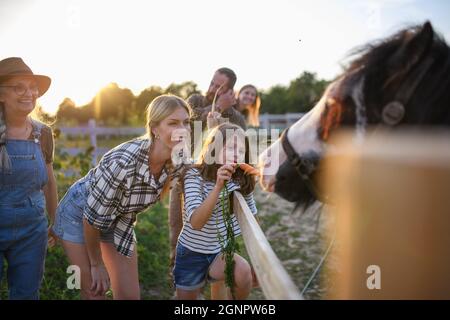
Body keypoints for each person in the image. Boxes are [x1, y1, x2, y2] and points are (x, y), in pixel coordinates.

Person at [52, 94, 191, 300]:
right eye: (173, 123)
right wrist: (96, 263)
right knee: (95, 292)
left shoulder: (179, 157)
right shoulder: (124, 162)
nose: (183, 129)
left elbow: (203, 174)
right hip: (79, 217)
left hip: (118, 220)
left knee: (129, 296)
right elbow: (91, 219)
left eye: (186, 123)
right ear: (154, 128)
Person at [173, 123, 257, 300]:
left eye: (241, 150)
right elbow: (196, 222)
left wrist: (258, 261)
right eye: (232, 147)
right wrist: (218, 186)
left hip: (219, 252)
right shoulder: (194, 176)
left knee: (244, 273)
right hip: (191, 253)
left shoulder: (240, 180)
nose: (237, 153)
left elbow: (252, 220)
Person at [0, 57, 58, 299]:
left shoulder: (42, 133)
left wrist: (55, 221)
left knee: (26, 294)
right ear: (1, 94)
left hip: (32, 230)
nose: (29, 93)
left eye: (32, 87)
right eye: (18, 87)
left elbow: (50, 181)